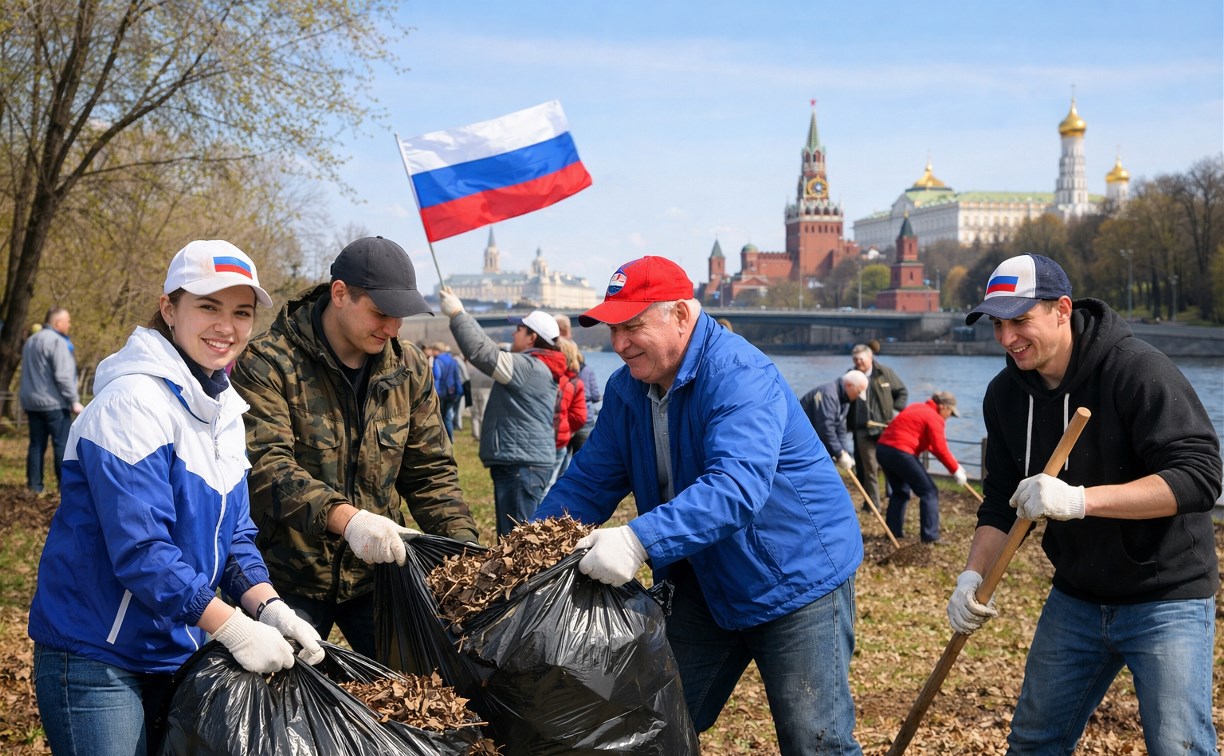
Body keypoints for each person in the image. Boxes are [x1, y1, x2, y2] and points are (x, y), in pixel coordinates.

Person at [532, 255, 864, 756]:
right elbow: (586, 486)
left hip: (796, 577)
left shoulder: (738, 374)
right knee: (650, 721)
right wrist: (526, 549)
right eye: (612, 328)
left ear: (682, 315)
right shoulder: (627, 392)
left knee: (815, 741)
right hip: (703, 580)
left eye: (632, 326)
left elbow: (736, 486)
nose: (618, 344)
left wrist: (637, 539)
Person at [29, 240, 324, 754]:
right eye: (208, 306)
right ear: (169, 309)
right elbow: (142, 551)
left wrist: (269, 607)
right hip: (97, 655)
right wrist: (231, 626)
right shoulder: (131, 403)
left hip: (177, 647)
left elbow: (234, 537)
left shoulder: (225, 411)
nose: (225, 327)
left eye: (241, 312)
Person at [946, 253, 1220, 754]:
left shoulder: (1138, 371)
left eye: (1021, 320)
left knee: (1178, 747)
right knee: (1033, 743)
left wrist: (1079, 500)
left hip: (1167, 595)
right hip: (1076, 595)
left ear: (1062, 309)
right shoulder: (1004, 395)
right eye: (998, 324)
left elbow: (1199, 478)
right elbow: (999, 505)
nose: (1007, 338)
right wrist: (972, 577)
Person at [231, 236, 480, 658]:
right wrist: (347, 520)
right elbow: (267, 467)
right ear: (341, 294)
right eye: (381, 314)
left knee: (416, 688)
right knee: (278, 699)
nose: (392, 328)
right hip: (287, 576)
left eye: (400, 317)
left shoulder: (409, 368)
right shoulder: (268, 363)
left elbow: (431, 474)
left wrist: (465, 556)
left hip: (378, 575)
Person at [436, 292, 568, 538]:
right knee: (519, 537)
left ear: (532, 337)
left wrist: (457, 314)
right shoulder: (536, 365)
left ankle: (524, 579)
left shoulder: (527, 368)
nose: (512, 333)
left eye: (519, 329)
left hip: (520, 465)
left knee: (516, 541)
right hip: (523, 463)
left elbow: (480, 352)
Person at [876, 391, 967, 544]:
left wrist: (955, 466)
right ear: (943, 406)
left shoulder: (917, 407)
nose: (949, 416)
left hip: (884, 450)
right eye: (950, 412)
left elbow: (931, 445)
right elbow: (940, 448)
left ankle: (893, 533)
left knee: (900, 492)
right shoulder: (934, 418)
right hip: (901, 452)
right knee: (929, 491)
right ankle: (930, 536)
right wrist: (954, 470)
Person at [19, 307, 84, 493]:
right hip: (54, 403)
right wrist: (73, 400)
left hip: (32, 403)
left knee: (36, 445)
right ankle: (65, 487)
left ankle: (34, 487)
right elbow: (63, 376)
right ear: (57, 323)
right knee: (61, 445)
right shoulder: (57, 342)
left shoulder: (31, 341)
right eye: (68, 321)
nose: (70, 324)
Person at [846, 343, 907, 511]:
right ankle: (873, 505)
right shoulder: (850, 375)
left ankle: (893, 498)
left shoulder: (885, 373)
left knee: (890, 466)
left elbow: (902, 391)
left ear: (870, 358)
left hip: (884, 428)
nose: (858, 362)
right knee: (869, 469)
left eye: (861, 359)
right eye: (855, 359)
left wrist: (896, 410)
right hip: (862, 430)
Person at [798, 370, 868, 471]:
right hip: (803, 443)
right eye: (858, 392)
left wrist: (844, 452)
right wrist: (839, 453)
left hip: (817, 444)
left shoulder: (845, 400)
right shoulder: (829, 394)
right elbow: (826, 428)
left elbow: (841, 428)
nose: (858, 396)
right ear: (849, 385)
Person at [555, 314, 602, 465]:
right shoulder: (587, 370)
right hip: (585, 420)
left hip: (565, 422)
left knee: (562, 460)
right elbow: (595, 395)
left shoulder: (560, 374)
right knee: (583, 463)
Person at [429, 341, 464, 441]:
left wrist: (434, 392)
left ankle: (442, 438)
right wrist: (459, 391)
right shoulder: (453, 360)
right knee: (448, 416)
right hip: (452, 391)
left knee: (439, 416)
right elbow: (457, 377)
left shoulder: (438, 360)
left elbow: (437, 376)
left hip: (441, 392)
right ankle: (451, 438)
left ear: (437, 350)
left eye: (433, 350)